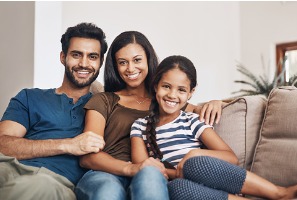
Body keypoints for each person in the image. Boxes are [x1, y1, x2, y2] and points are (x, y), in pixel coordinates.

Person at [75, 31, 224, 200]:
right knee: (108, 192)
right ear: (115, 66)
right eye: (123, 62)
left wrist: (217, 102)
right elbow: (87, 156)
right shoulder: (103, 100)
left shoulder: (166, 100)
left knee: (151, 179)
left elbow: (196, 106)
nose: (130, 68)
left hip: (149, 174)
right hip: (106, 173)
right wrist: (131, 168)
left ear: (148, 59)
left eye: (137, 60)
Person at [130, 55, 297, 200]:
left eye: (181, 90)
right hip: (183, 190)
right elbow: (143, 168)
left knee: (194, 164)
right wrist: (177, 173)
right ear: (155, 86)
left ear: (190, 93)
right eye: (166, 86)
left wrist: (194, 154)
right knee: (178, 188)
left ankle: (279, 193)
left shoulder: (192, 120)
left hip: (207, 178)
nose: (172, 95)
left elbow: (230, 158)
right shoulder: (139, 127)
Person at [0, 22, 108, 200]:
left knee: (36, 186)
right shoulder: (29, 97)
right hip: (7, 167)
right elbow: (3, 143)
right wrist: (69, 145)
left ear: (101, 62)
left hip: (54, 182)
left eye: (92, 57)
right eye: (76, 55)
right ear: (63, 57)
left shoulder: (104, 106)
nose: (84, 63)